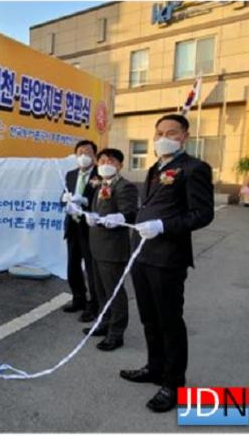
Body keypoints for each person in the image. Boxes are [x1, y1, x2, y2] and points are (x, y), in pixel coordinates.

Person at [120, 114, 214, 412]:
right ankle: (155, 367)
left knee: (169, 321)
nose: (163, 138)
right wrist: (123, 218)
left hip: (168, 258)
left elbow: (202, 214)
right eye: (159, 132)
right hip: (142, 255)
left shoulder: (194, 168)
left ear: (184, 136)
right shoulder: (154, 168)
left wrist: (163, 226)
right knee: (149, 318)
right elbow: (148, 207)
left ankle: (173, 383)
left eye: (171, 133)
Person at [83, 148, 138, 351]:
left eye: (111, 161)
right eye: (102, 161)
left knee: (114, 292)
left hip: (113, 249)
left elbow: (131, 212)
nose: (106, 164)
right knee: (100, 290)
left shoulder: (125, 186)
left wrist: (120, 217)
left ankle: (116, 333)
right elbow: (98, 209)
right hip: (96, 245)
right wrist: (91, 216)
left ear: (120, 165)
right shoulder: (100, 184)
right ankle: (103, 323)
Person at [62, 140, 100, 323]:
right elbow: (62, 197)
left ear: (94, 156)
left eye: (87, 152)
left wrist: (85, 201)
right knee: (73, 266)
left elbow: (103, 201)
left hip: (90, 228)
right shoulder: (70, 174)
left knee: (92, 269)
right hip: (73, 226)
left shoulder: (100, 175)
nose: (83, 156)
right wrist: (65, 200)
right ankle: (78, 298)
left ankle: (94, 305)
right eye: (80, 152)